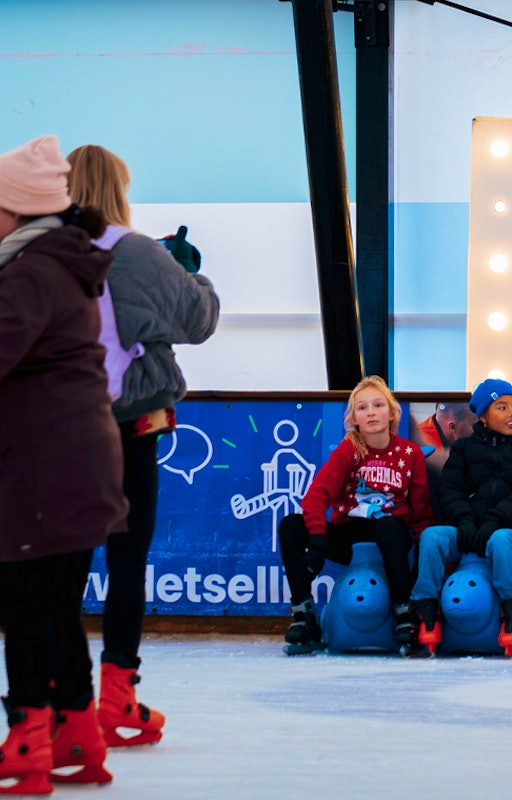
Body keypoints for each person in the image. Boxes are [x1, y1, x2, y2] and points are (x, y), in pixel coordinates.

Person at [66, 143, 219, 746]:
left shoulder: (39, 254)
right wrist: (186, 269)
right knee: (128, 564)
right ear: (119, 189)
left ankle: (59, 704)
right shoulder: (140, 253)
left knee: (63, 570)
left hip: (63, 430)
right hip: (134, 428)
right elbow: (199, 321)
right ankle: (119, 700)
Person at [0, 135, 126, 792]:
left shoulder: (30, 272)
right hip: (72, 465)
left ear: (15, 211)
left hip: (46, 470)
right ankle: (77, 730)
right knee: (52, 604)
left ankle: (29, 739)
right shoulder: (57, 264)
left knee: (22, 601)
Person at [278, 376, 434, 655]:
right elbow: (315, 497)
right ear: (354, 418)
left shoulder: (409, 453)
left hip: (390, 534)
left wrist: (420, 560)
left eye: (378, 405)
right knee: (291, 524)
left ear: (392, 412)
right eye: (362, 408)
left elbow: (421, 514)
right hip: (348, 535)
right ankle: (303, 612)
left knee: (387, 524)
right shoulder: (348, 450)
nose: (371, 412)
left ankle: (402, 612)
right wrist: (316, 542)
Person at [409, 378, 512, 656]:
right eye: (502, 407)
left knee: (501, 540)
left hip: (507, 529)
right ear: (483, 414)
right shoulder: (464, 448)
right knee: (433, 536)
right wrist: (464, 521)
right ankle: (426, 610)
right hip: (466, 527)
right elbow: (450, 489)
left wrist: (496, 519)